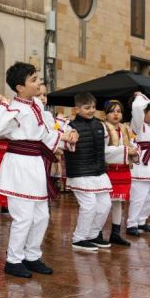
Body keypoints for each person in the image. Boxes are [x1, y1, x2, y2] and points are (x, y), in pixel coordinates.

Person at [0, 62, 78, 278]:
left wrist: (67, 136)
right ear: (20, 87)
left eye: (38, 78)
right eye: (34, 80)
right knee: (23, 216)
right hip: (19, 165)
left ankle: (32, 255)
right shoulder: (14, 107)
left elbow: (46, 133)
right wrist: (5, 106)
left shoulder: (37, 104)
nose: (39, 83)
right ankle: (13, 260)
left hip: (35, 163)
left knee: (41, 215)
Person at [61, 93, 113, 252]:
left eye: (93, 107)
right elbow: (65, 146)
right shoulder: (70, 126)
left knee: (105, 204)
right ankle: (79, 238)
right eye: (86, 107)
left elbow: (105, 148)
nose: (91, 110)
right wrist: (69, 140)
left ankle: (93, 234)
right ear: (77, 109)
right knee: (89, 205)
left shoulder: (100, 125)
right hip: (80, 172)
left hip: (98, 172)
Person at [126, 92, 150, 236]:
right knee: (139, 195)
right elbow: (137, 108)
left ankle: (141, 220)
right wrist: (140, 97)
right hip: (141, 165)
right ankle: (131, 223)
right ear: (144, 112)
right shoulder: (137, 123)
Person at [103, 100, 137, 245]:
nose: (116, 114)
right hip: (109, 170)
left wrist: (134, 151)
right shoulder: (103, 128)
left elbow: (133, 144)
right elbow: (103, 151)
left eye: (119, 111)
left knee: (118, 202)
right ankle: (97, 232)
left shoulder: (126, 129)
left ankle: (115, 233)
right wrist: (124, 151)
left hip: (123, 170)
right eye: (112, 111)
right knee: (105, 203)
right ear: (106, 114)